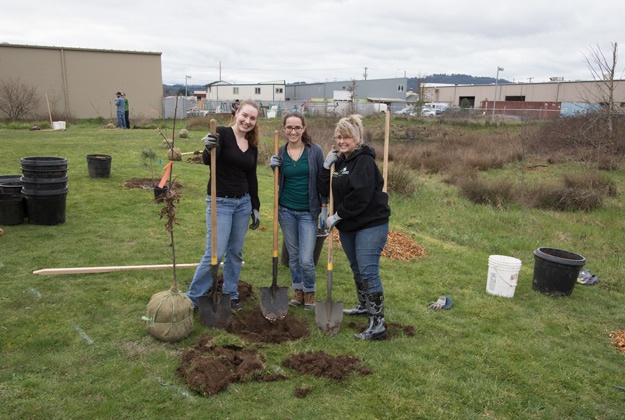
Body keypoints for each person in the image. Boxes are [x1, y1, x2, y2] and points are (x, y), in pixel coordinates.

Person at [318, 114, 391, 340]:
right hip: (349, 224)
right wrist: (325, 166)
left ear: (357, 138)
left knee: (368, 270)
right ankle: (363, 305)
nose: (342, 141)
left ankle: (377, 323)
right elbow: (325, 188)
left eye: (346, 137)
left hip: (371, 223)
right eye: (338, 137)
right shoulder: (340, 161)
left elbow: (361, 195)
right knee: (357, 268)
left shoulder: (364, 161)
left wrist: (338, 215)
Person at [187, 100, 261, 312]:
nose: (247, 121)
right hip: (220, 202)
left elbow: (252, 176)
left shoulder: (252, 144)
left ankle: (230, 293)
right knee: (215, 253)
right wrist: (208, 147)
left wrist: (255, 206)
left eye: (252, 118)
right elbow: (208, 161)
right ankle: (193, 298)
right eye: (245, 115)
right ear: (236, 113)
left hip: (243, 203)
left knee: (235, 252)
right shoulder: (220, 133)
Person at [269, 112, 326, 310]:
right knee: (293, 257)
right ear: (284, 129)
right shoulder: (281, 152)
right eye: (289, 127)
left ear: (303, 129)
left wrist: (324, 207)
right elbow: (279, 180)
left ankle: (310, 291)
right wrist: (273, 167)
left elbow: (322, 179)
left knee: (306, 259)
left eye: (297, 127)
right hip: (286, 211)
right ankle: (298, 291)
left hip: (308, 212)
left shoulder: (315, 151)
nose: (293, 131)